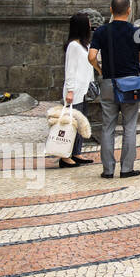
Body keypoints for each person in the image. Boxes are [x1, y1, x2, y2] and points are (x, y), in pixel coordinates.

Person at [88, 0, 140, 179]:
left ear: (111, 10)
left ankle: (107, 170)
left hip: (108, 81)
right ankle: (126, 168)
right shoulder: (137, 30)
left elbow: (91, 56)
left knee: (108, 126)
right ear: (129, 10)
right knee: (130, 125)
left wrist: (99, 70)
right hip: (130, 84)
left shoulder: (101, 31)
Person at [55, 12, 97, 168]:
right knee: (70, 124)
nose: (90, 25)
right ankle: (65, 156)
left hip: (84, 90)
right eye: (87, 22)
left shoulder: (84, 44)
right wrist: (70, 91)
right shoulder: (73, 46)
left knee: (81, 122)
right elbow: (70, 70)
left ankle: (76, 152)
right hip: (75, 91)